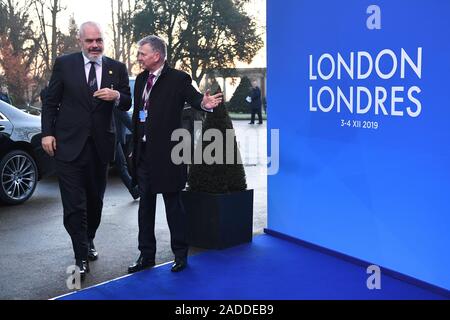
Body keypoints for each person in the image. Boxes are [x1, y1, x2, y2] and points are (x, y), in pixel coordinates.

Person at [41, 21, 131, 280]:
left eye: (98, 40)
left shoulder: (116, 68)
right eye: (89, 41)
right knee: (73, 205)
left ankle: (89, 238)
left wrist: (115, 96)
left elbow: (127, 101)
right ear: (80, 41)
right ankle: (80, 255)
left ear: (104, 41)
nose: (95, 45)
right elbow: (51, 102)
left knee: (95, 202)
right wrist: (47, 132)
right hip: (68, 146)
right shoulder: (64, 64)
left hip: (100, 148)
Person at [127, 35, 222, 273]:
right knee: (145, 208)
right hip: (145, 155)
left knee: (173, 207)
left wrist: (205, 103)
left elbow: (194, 98)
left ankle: (180, 255)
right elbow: (139, 115)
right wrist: (134, 149)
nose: (139, 57)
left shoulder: (178, 79)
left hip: (169, 155)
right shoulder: (140, 80)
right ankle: (145, 256)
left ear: (156, 55)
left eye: (142, 53)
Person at [113, 107, 140, 199]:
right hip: (112, 137)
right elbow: (125, 118)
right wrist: (138, 131)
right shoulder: (115, 101)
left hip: (112, 138)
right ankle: (134, 191)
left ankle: (134, 191)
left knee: (122, 166)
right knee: (122, 166)